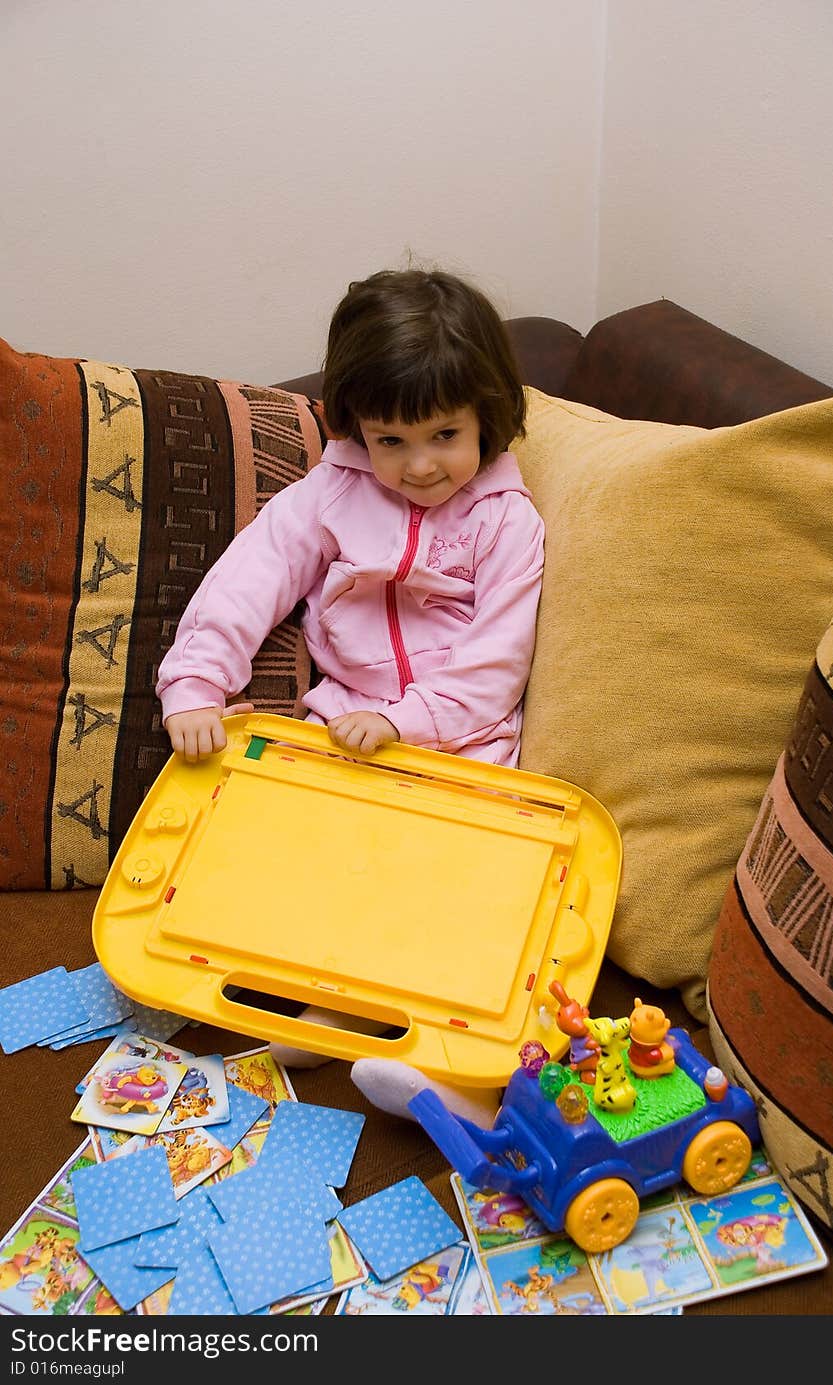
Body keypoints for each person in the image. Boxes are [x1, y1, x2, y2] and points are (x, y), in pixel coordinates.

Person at [156, 266, 544, 1122]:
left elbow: (496, 664)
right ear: (355, 429)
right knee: (323, 871)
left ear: (489, 412)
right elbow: (244, 583)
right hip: (343, 733)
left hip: (465, 745)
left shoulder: (506, 520)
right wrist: (193, 681)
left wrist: (405, 721)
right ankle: (330, 1013)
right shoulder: (327, 495)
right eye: (390, 441)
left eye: (445, 434)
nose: (419, 466)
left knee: (465, 904)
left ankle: (463, 1085)